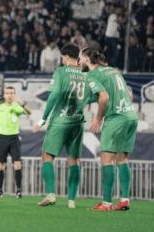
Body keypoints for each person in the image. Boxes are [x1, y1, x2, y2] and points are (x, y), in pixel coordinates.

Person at [81, 47, 138, 211]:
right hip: (131, 116)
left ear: (86, 58)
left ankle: (106, 203)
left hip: (116, 119)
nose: (79, 61)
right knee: (122, 159)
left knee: (106, 160)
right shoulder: (113, 71)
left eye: (80, 58)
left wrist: (98, 118)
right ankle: (125, 200)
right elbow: (130, 94)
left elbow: (104, 98)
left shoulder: (92, 75)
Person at [34, 43, 85, 209]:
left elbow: (54, 94)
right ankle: (71, 201)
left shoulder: (61, 72)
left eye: (62, 57)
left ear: (67, 57)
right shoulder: (85, 73)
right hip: (78, 121)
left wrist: (43, 118)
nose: (62, 60)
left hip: (60, 120)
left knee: (47, 156)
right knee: (74, 161)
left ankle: (51, 194)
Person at [0, 86, 31, 198]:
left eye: (12, 93)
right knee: (0, 165)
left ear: (14, 95)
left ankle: (18, 190)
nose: (9, 95)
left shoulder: (17, 107)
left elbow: (29, 112)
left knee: (17, 165)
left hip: (14, 138)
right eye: (7, 93)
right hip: (1, 138)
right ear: (4, 95)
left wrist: (21, 102)